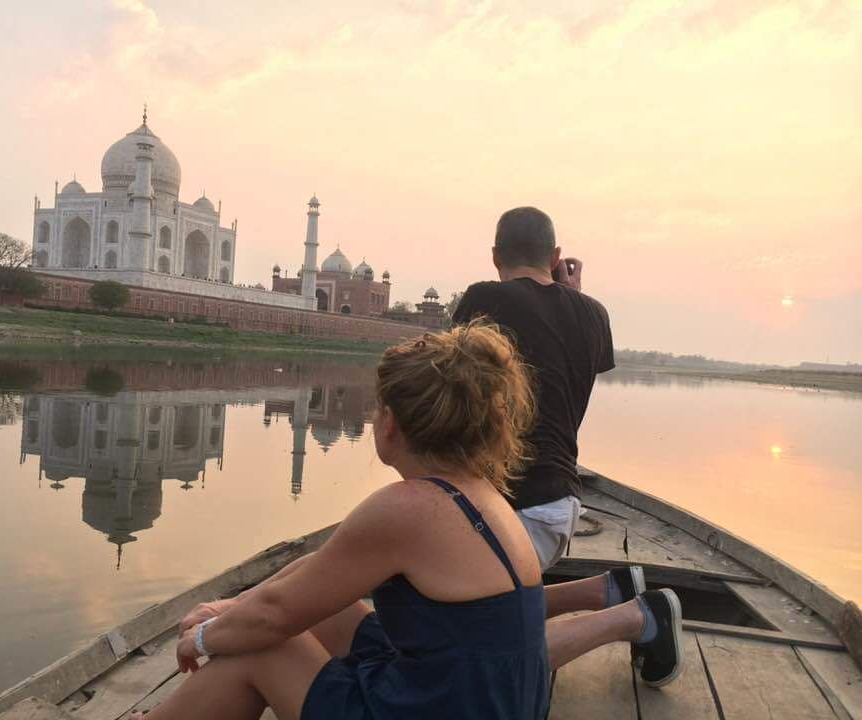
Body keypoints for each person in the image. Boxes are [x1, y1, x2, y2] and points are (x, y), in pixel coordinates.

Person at [131, 322, 681, 720]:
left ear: (390, 424)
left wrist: (204, 636)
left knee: (259, 647)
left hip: (446, 708)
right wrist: (229, 607)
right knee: (326, 611)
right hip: (486, 702)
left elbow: (274, 618)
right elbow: (317, 573)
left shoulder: (408, 509)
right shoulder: (479, 495)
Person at [453, 207, 614, 570]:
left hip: (507, 505)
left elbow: (448, 387)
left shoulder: (483, 300)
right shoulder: (595, 314)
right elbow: (561, 364)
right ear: (556, 257)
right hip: (560, 503)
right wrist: (574, 298)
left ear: (495, 256)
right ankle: (606, 593)